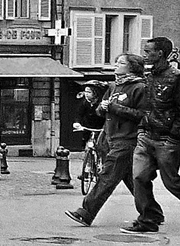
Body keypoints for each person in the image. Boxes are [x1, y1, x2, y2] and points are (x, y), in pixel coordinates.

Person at [67, 54, 162, 228]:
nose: (116, 64)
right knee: (133, 180)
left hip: (128, 140)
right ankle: (152, 212)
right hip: (110, 139)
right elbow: (100, 111)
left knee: (106, 177)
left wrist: (114, 107)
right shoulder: (114, 86)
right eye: (116, 61)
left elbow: (144, 115)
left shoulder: (140, 88)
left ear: (132, 67)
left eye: (121, 63)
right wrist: (102, 109)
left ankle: (86, 212)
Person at [125, 37, 180, 234]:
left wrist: (173, 136)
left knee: (172, 182)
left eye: (148, 51)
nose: (145, 55)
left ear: (160, 54)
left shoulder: (175, 78)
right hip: (146, 135)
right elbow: (146, 106)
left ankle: (150, 217)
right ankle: (148, 219)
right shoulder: (147, 76)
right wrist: (141, 129)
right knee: (139, 178)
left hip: (166, 139)